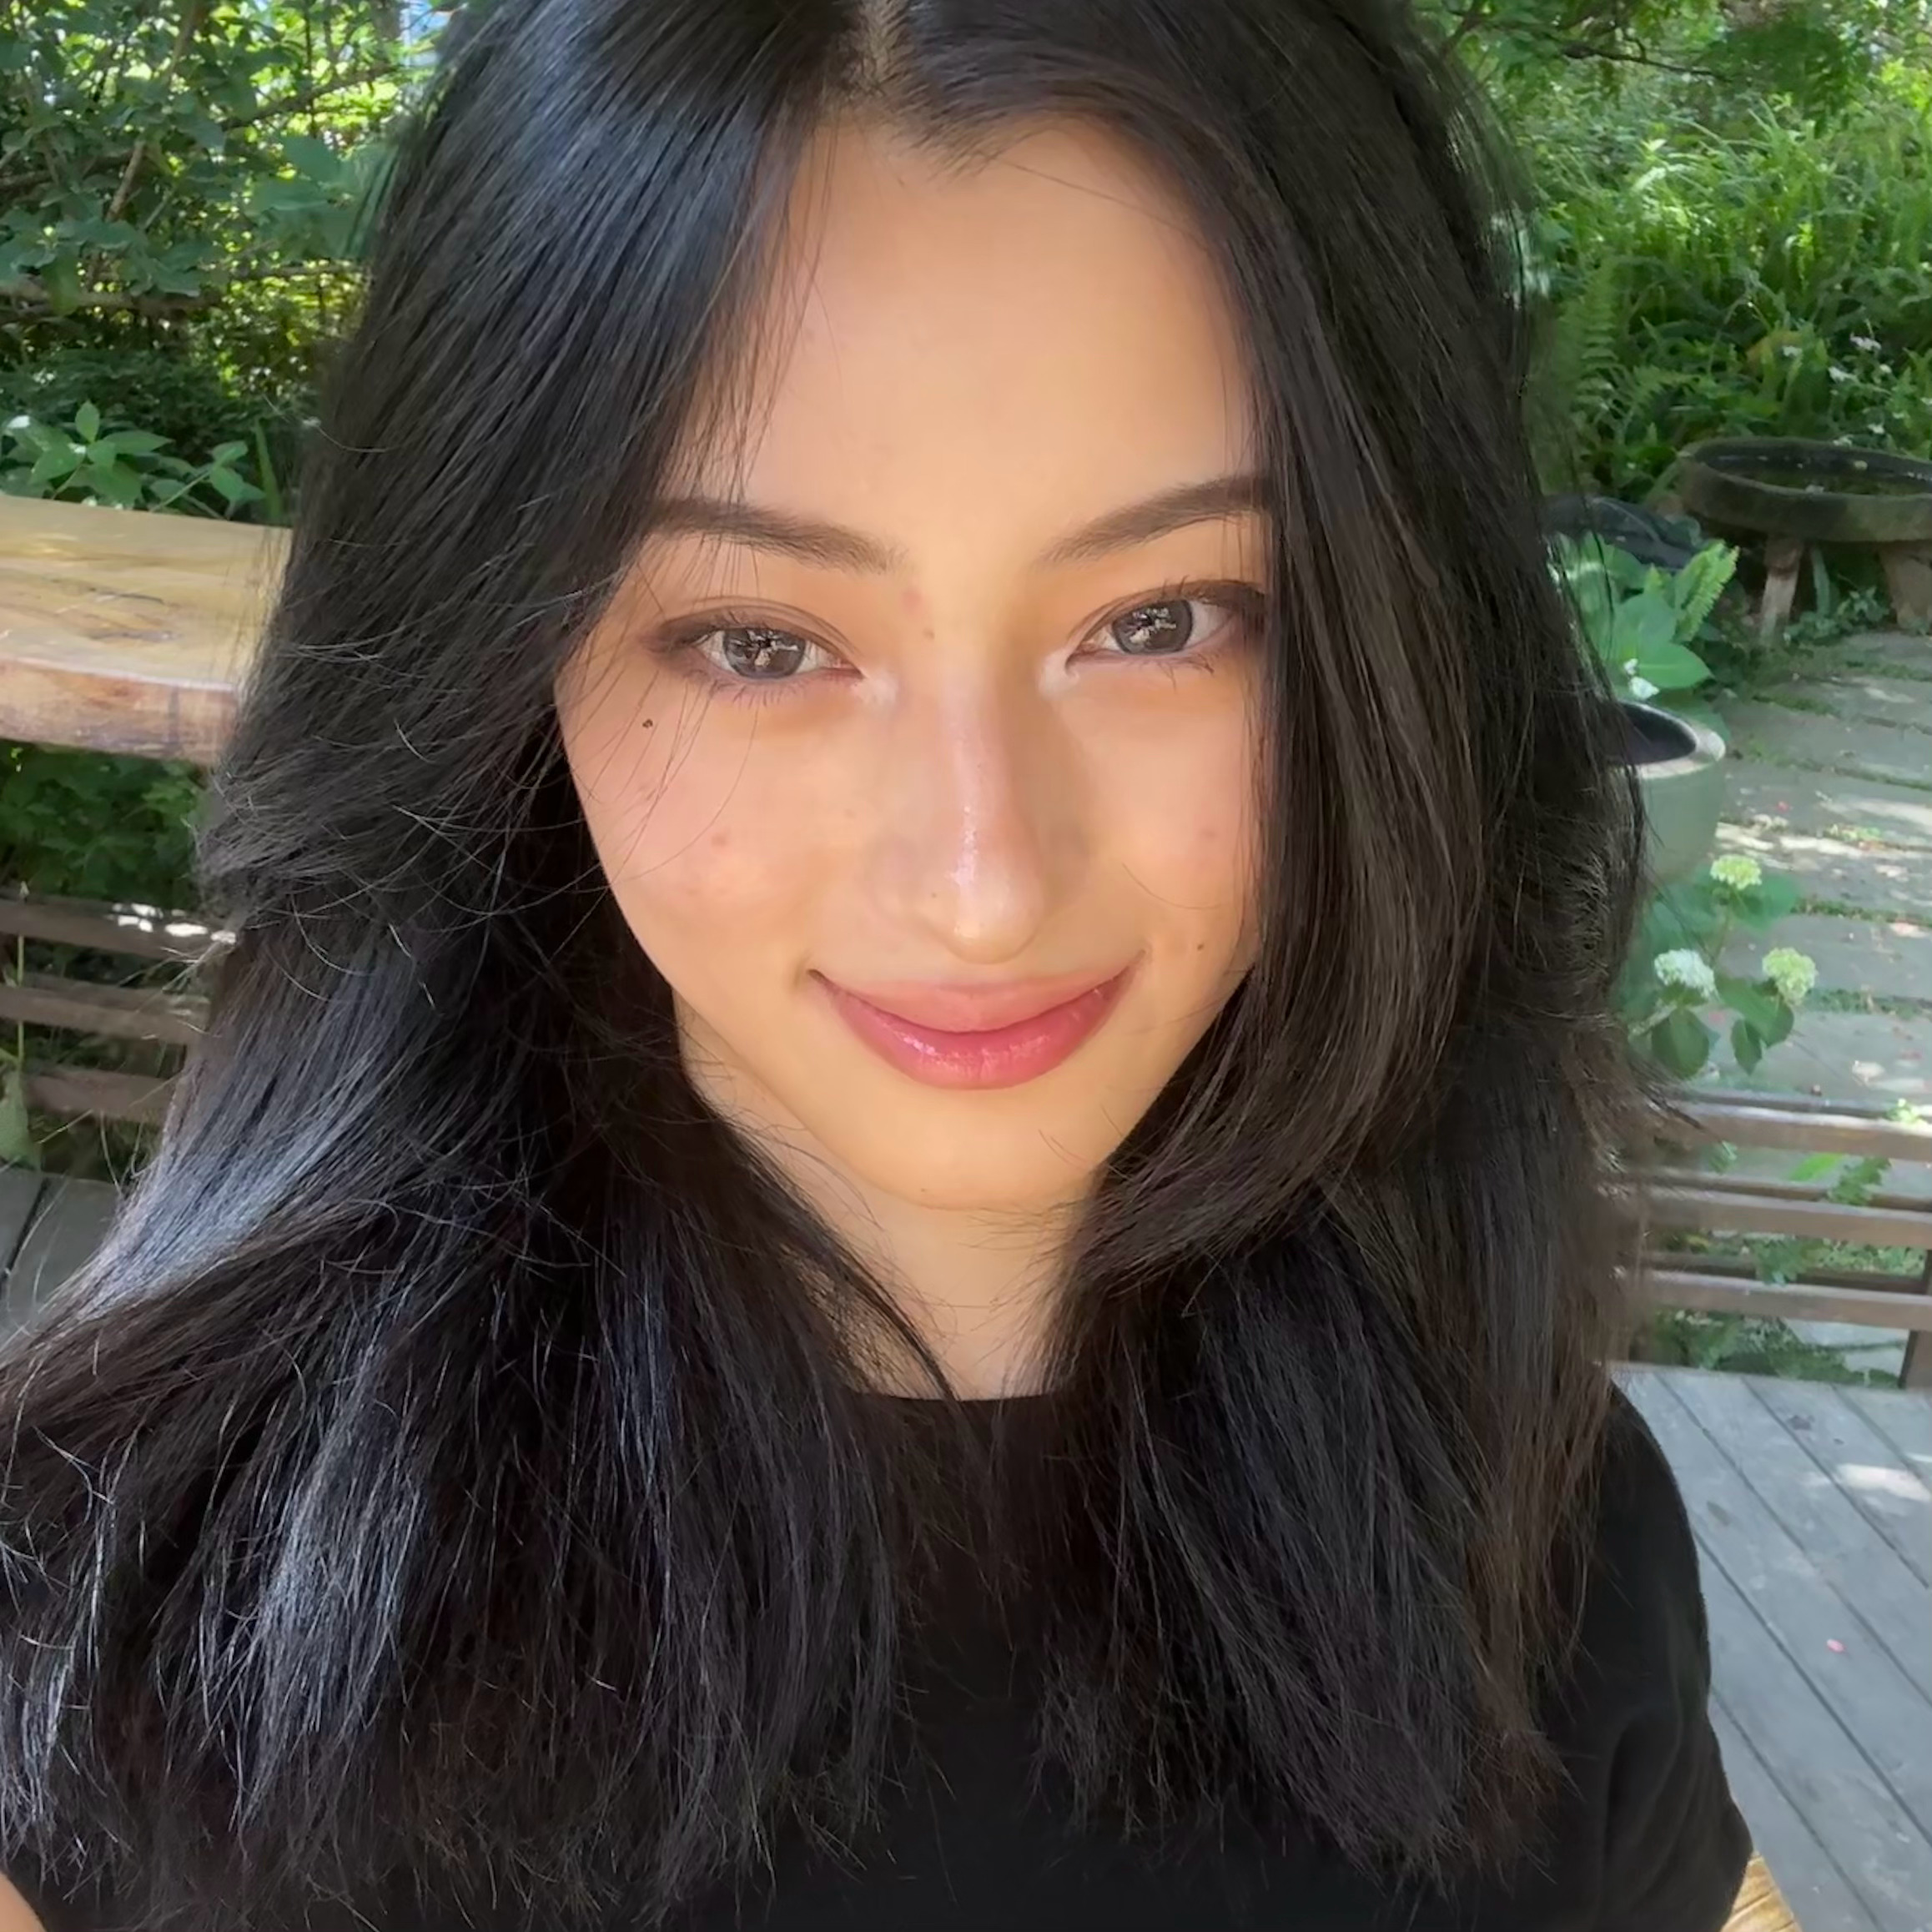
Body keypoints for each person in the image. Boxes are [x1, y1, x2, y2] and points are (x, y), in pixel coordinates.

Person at [0, 0, 1754, 1927]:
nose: (983, 886)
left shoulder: (1536, 1539)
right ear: (504, 661)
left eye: (1166, 620)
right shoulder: (113, 1609)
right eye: (758, 643)